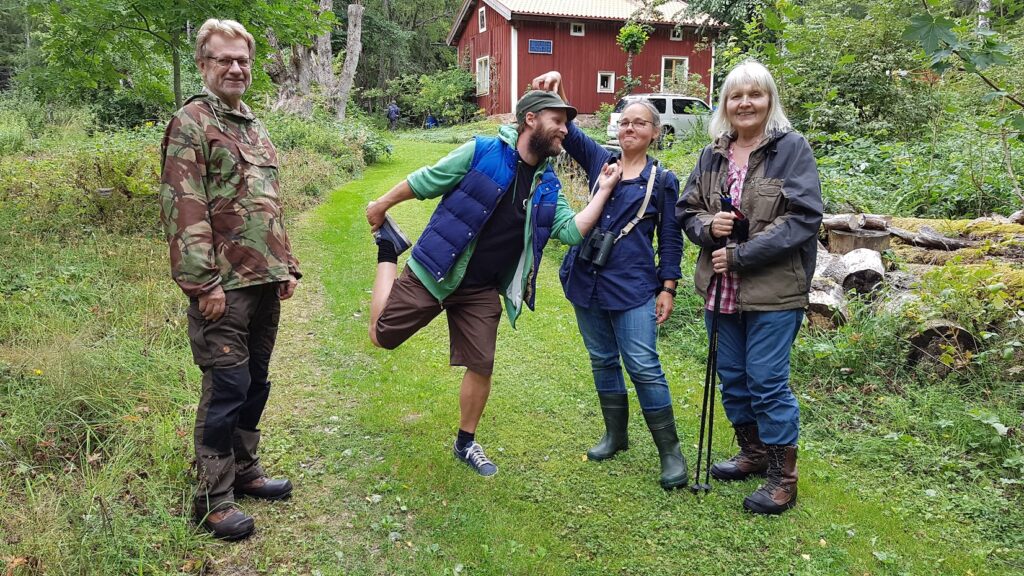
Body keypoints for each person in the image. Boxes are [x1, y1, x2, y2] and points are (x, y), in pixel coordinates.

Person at [365, 90, 621, 477]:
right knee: (381, 336)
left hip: (480, 289)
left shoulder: (548, 184)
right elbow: (426, 180)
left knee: (481, 364)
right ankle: (388, 250)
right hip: (435, 271)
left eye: (567, 123)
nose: (565, 130)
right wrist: (382, 205)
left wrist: (601, 192)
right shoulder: (482, 151)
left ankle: (465, 443)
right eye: (558, 120)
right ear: (530, 119)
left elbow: (570, 232)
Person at [159, 18, 300, 541]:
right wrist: (203, 285)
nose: (236, 67)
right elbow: (184, 209)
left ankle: (245, 471)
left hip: (265, 280)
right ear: (204, 64)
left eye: (242, 59)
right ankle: (212, 498)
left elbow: (269, 205)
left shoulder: (252, 124)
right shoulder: (191, 122)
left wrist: (287, 265)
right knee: (226, 387)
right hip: (224, 288)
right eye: (224, 59)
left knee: (256, 382)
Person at [676, 60, 822, 514]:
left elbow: (803, 218)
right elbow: (686, 210)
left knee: (767, 381)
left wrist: (740, 254)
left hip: (774, 291)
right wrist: (707, 226)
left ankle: (783, 478)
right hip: (720, 291)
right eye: (736, 96)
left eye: (754, 94)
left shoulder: (791, 149)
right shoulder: (712, 154)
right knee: (734, 379)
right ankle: (754, 453)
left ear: (769, 100)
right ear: (724, 104)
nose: (745, 103)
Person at [531, 72, 688, 489]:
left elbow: (670, 241)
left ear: (655, 132)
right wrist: (557, 89)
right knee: (602, 358)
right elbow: (572, 131)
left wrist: (668, 287)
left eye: (639, 122)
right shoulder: (604, 164)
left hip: (635, 286)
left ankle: (670, 452)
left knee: (643, 365)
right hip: (588, 280)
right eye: (624, 122)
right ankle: (616, 435)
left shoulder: (664, 180)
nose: (629, 127)